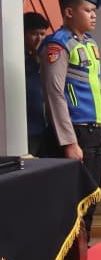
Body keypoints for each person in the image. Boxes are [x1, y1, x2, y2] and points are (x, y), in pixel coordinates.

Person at [39, 0, 101, 238]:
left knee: (91, 195)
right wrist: (68, 142)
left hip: (93, 132)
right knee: (73, 200)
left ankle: (84, 248)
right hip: (75, 133)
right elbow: (54, 94)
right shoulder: (57, 45)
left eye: (94, 11)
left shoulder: (90, 44)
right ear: (69, 12)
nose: (93, 16)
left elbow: (97, 89)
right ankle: (71, 255)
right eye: (88, 10)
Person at [23, 11, 51, 155]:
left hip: (46, 128)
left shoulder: (45, 56)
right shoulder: (19, 58)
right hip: (28, 129)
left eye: (42, 34)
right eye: (34, 34)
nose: (39, 38)